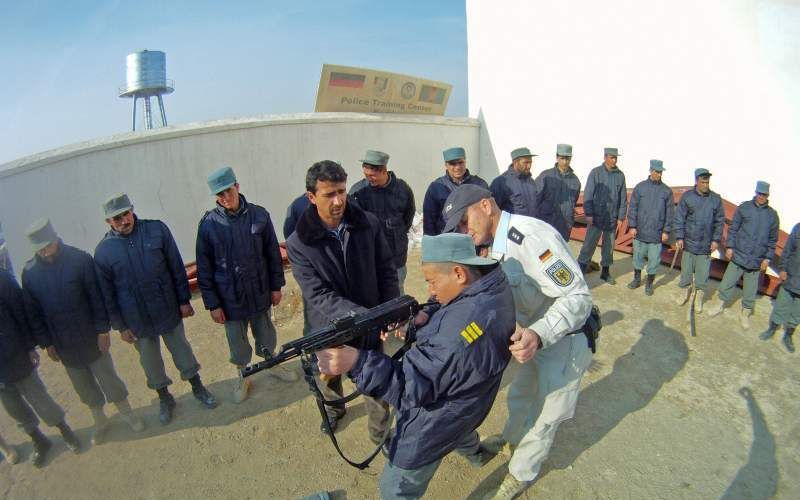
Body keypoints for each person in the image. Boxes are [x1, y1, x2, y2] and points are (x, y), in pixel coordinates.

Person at [317, 232, 515, 499]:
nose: (430, 290)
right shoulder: (490, 284)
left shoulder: (459, 333)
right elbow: (448, 310)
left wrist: (356, 361)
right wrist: (425, 317)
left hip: (437, 420)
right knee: (462, 431)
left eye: (432, 282)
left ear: (459, 273)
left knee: (396, 488)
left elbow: (410, 386)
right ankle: (477, 454)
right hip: (469, 401)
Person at [442, 184, 594, 500]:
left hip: (564, 342)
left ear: (485, 206)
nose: (463, 231)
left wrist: (539, 334)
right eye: (456, 227)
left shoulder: (531, 238)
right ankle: (512, 439)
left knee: (546, 415)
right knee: (522, 396)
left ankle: (521, 472)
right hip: (530, 340)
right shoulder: (492, 246)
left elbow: (579, 297)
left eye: (464, 221)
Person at [286, 160, 398, 439]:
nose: (338, 201)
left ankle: (380, 435)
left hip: (370, 325)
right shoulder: (299, 243)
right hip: (328, 328)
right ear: (311, 197)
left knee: (376, 383)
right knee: (328, 379)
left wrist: (387, 312)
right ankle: (335, 412)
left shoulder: (367, 224)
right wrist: (363, 316)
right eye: (329, 194)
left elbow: (386, 269)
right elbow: (318, 295)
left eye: (341, 191)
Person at [94, 193, 217, 425]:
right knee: (150, 363)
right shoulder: (103, 252)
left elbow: (175, 267)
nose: (123, 221)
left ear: (132, 210)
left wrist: (183, 300)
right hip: (136, 319)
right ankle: (165, 398)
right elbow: (107, 295)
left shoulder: (156, 230)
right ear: (108, 222)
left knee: (182, 351)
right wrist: (120, 326)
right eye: (116, 219)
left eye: (125, 214)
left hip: (166, 308)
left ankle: (198, 388)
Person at [21, 218, 143, 445]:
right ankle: (100, 421)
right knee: (83, 387)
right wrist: (47, 343)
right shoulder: (30, 273)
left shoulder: (80, 260)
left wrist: (102, 330)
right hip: (64, 345)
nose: (45, 252)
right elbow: (34, 314)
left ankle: (127, 413)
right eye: (40, 249)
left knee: (109, 379)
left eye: (48, 245)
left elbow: (98, 298)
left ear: (56, 239)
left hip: (91, 338)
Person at [196, 167, 295, 404]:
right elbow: (204, 267)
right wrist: (213, 304)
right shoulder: (209, 225)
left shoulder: (259, 215)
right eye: (219, 195)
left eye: (228, 191)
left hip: (259, 291)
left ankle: (271, 364)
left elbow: (272, 254)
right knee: (237, 343)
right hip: (230, 299)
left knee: (266, 334)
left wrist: (275, 286)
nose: (225, 197)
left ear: (237, 186)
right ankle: (243, 375)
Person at [0, 268, 79, 467]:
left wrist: (29, 347)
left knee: (39, 397)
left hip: (15, 353)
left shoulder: (2, 278)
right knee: (14, 408)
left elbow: (21, 311)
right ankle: (38, 439)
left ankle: (64, 430)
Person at [706, 181, 779, 328]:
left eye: (764, 194)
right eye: (759, 193)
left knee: (750, 291)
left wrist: (767, 258)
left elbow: (773, 240)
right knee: (727, 283)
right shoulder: (744, 207)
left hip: (756, 261)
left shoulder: (772, 216)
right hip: (739, 255)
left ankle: (745, 314)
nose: (761, 197)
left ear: (768, 196)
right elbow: (733, 229)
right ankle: (719, 305)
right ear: (755, 193)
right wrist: (730, 247)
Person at [349, 149, 416, 291]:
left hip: (396, 256)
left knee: (396, 290)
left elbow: (408, 215)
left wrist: (397, 233)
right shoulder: (357, 192)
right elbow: (352, 222)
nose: (369, 179)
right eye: (366, 175)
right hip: (370, 256)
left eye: (372, 175)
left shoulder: (403, 189)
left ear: (384, 171)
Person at [672, 168, 725, 312]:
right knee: (686, 271)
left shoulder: (715, 199)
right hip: (689, 243)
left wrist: (715, 240)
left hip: (705, 245)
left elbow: (719, 222)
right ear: (696, 181)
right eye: (703, 182)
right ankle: (684, 291)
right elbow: (679, 218)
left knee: (702, 274)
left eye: (707, 182)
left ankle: (699, 296)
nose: (706, 185)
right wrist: (679, 237)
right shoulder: (687, 197)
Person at [577, 147, 627, 284]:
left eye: (616, 157)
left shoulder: (620, 175)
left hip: (611, 218)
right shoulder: (596, 173)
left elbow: (623, 198)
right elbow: (588, 194)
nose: (614, 160)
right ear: (605, 157)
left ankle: (605, 272)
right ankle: (580, 270)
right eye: (612, 157)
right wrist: (589, 213)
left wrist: (621, 217)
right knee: (588, 244)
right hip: (596, 217)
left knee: (609, 247)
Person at [626, 160, 674, 296]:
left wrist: (666, 231)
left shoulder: (666, 191)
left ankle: (649, 284)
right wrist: (632, 226)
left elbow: (670, 214)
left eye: (660, 172)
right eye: (656, 171)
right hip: (640, 231)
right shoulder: (640, 187)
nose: (658, 174)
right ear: (650, 170)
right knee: (638, 257)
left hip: (656, 234)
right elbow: (633, 208)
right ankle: (636, 280)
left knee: (654, 260)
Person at [422, 147, 488, 235]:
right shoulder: (436, 188)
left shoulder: (479, 185)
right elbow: (429, 220)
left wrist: (484, 245)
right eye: (453, 164)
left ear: (465, 161)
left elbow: (487, 215)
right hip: (446, 240)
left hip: (472, 239)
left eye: (460, 162)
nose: (457, 167)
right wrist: (431, 242)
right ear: (446, 165)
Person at [759, 223, 800, 352]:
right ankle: (772, 329)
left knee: (797, 313)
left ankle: (788, 336)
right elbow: (787, 250)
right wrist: (782, 269)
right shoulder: (798, 228)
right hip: (791, 276)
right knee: (781, 305)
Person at [534, 143, 581, 242]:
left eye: (567, 159)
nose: (565, 162)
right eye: (562, 158)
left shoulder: (575, 181)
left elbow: (574, 201)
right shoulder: (546, 176)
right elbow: (535, 199)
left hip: (564, 225)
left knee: (560, 253)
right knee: (544, 253)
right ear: (557, 157)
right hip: (546, 223)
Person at [490, 147, 540, 217]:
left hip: (531, 226)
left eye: (530, 162)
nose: (529, 166)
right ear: (515, 162)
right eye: (526, 163)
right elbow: (493, 210)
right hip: (512, 227)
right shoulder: (501, 182)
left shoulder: (531, 181)